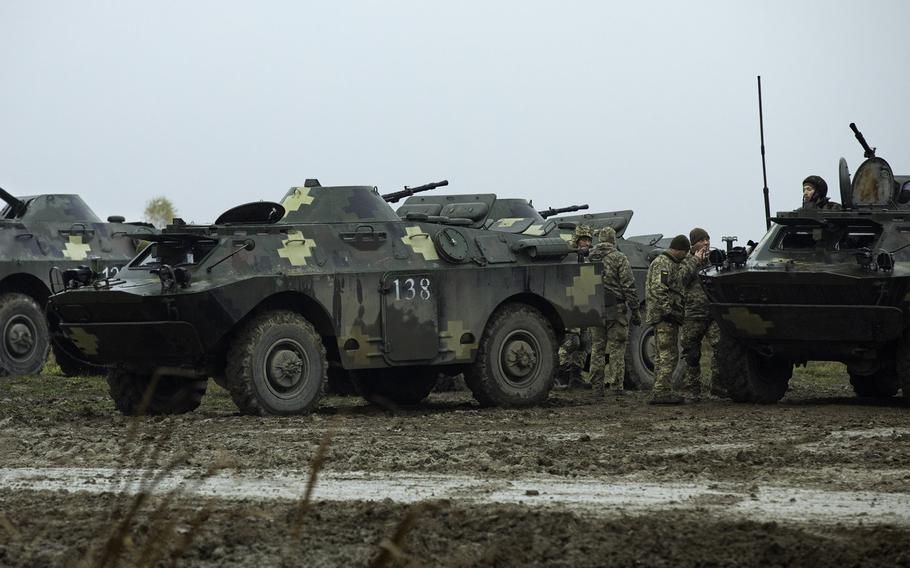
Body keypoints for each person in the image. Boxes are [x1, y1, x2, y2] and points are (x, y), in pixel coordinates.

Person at [645, 234, 705, 405]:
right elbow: (659, 289)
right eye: (685, 253)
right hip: (665, 317)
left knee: (663, 354)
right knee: (667, 354)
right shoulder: (663, 263)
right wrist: (668, 311)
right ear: (679, 250)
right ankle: (662, 392)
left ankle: (660, 389)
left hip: (664, 316)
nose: (685, 257)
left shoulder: (668, 263)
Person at [588, 227, 640, 397]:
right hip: (616, 309)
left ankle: (597, 387)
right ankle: (616, 386)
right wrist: (635, 309)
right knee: (617, 347)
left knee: (597, 347)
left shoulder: (589, 257)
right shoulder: (619, 258)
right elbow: (628, 285)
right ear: (613, 240)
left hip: (594, 307)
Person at [677, 227, 720, 402]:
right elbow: (681, 279)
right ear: (694, 244)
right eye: (702, 240)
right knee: (692, 352)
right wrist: (695, 261)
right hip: (693, 314)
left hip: (713, 313)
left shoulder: (712, 260)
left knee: (720, 346)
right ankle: (694, 389)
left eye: (708, 239)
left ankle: (717, 386)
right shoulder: (686, 261)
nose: (706, 243)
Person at [556, 225, 595, 388]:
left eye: (588, 240)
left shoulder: (590, 256)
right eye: (583, 240)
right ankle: (559, 374)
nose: (585, 243)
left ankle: (576, 376)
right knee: (572, 341)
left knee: (585, 342)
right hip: (571, 305)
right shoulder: (567, 255)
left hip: (586, 304)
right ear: (577, 240)